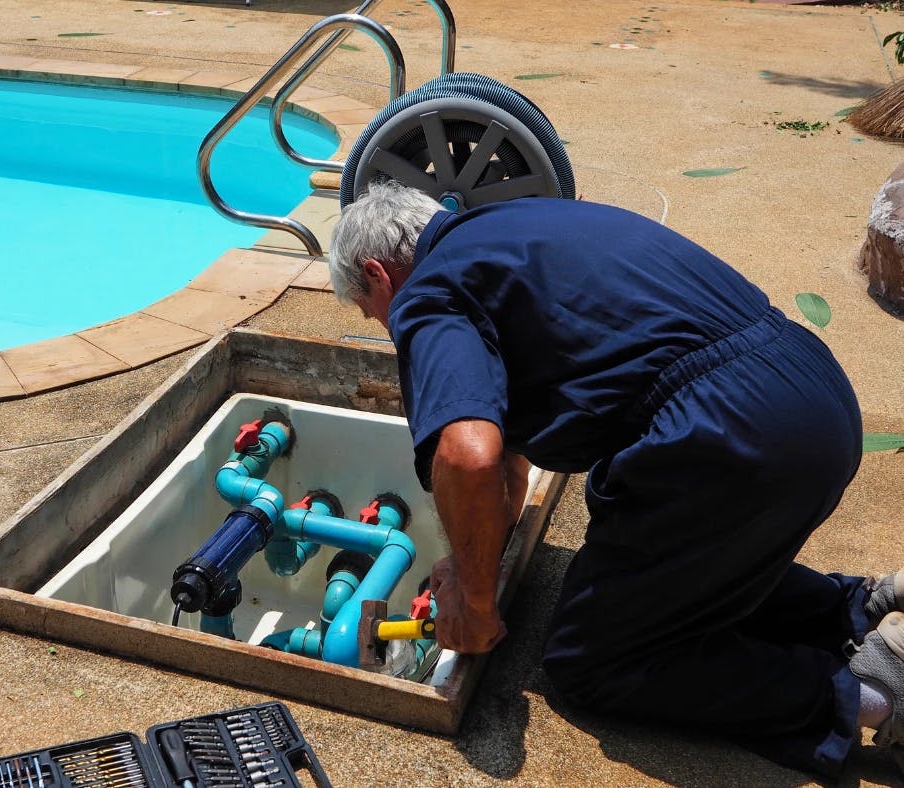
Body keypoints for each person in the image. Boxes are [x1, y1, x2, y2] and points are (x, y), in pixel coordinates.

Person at [327, 179, 902, 777]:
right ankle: (860, 606)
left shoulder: (427, 291)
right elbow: (506, 466)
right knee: (660, 579)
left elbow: (466, 457)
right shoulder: (514, 229)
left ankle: (875, 693)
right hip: (812, 396)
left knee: (592, 656)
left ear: (378, 275)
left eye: (373, 314)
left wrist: (473, 608)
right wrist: (473, 564)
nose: (387, 328)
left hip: (733, 435)